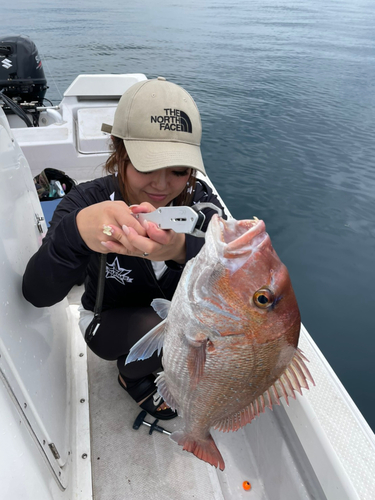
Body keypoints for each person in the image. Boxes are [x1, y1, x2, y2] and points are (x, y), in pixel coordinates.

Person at [22, 76, 226, 420]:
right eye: (146, 165)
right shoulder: (85, 201)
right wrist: (76, 233)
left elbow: (226, 242)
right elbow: (37, 293)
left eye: (178, 170)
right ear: (119, 151)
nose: (162, 185)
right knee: (176, 333)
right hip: (107, 321)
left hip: (182, 317)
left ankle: (173, 364)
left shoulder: (199, 201)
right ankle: (130, 375)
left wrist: (180, 248)